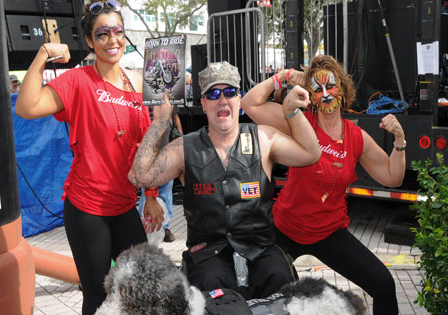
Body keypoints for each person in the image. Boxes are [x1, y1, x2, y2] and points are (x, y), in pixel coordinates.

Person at [240, 55, 415, 315]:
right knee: (259, 288)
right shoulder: (297, 121)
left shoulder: (356, 136)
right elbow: (250, 104)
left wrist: (400, 140)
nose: (325, 93)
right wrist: (282, 77)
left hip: (329, 231)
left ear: (343, 91)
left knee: (383, 284)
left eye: (331, 85)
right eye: (317, 87)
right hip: (286, 228)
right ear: (310, 94)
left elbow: (392, 177)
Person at [15, 0, 163, 315]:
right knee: (97, 293)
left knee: (139, 286)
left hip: (124, 205)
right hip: (87, 208)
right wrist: (42, 56)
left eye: (118, 31)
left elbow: (150, 142)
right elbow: (26, 107)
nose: (112, 40)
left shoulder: (138, 82)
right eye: (102, 34)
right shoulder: (78, 81)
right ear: (89, 40)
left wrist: (152, 194)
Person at [128, 61, 321, 299]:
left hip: (260, 250)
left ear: (239, 99)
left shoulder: (263, 138)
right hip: (207, 255)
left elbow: (311, 154)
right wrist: (159, 123)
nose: (222, 100)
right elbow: (138, 176)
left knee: (282, 284)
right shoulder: (185, 148)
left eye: (229, 92)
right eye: (213, 94)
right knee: (213, 291)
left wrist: (291, 112)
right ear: (203, 103)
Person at [138, 106, 183, 242]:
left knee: (166, 191)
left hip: (166, 150)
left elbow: (175, 117)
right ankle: (145, 226)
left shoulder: (168, 96)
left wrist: (181, 141)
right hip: (147, 151)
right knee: (147, 192)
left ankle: (164, 227)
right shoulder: (141, 96)